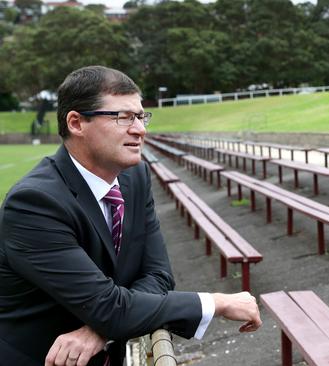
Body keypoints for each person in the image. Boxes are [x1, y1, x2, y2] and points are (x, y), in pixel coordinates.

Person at [0, 66, 262, 366]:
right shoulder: (34, 204)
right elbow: (110, 309)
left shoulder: (135, 177)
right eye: (122, 117)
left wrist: (106, 325)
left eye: (140, 116)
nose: (140, 129)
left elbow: (158, 275)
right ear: (76, 123)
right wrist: (217, 302)